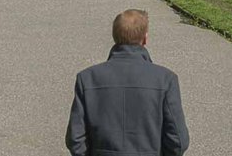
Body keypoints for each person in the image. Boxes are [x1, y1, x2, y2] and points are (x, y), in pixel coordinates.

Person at [67, 9, 189, 156]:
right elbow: (178, 140)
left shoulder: (87, 78)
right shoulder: (165, 79)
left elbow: (75, 138)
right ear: (145, 38)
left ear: (114, 37)